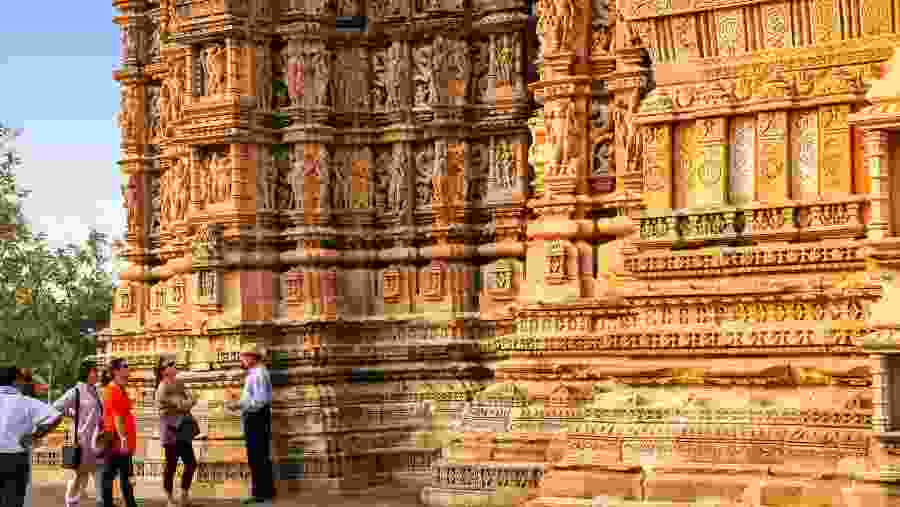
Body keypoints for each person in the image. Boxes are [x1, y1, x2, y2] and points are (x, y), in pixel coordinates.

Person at [0, 365, 63, 507]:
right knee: (13, 501)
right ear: (16, 381)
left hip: (14, 458)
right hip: (15, 458)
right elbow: (56, 416)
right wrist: (35, 436)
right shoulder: (26, 401)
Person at [226, 345, 275, 505]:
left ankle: (260, 493)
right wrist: (240, 402)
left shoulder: (258, 374)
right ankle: (266, 491)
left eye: (244, 357)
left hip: (256, 417)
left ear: (252, 357)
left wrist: (239, 405)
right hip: (257, 416)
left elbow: (259, 401)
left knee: (256, 456)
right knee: (260, 455)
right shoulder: (256, 373)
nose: (242, 360)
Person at [52, 360, 105, 507]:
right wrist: (73, 415)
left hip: (98, 441)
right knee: (80, 476)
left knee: (99, 472)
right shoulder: (75, 391)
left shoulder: (96, 391)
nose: (97, 374)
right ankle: (71, 501)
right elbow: (56, 407)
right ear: (86, 373)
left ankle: (101, 500)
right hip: (83, 442)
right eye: (94, 371)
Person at [154, 356, 198, 507]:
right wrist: (188, 402)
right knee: (171, 466)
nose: (174, 366)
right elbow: (184, 404)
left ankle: (184, 495)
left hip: (182, 429)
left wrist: (187, 402)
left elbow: (191, 399)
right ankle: (169, 498)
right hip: (170, 430)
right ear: (163, 370)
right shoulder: (162, 388)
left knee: (191, 463)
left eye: (174, 363)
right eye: (170, 364)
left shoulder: (179, 383)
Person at [100, 358, 138, 507]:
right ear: (116, 371)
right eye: (125, 366)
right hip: (117, 441)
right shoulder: (113, 390)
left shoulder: (119, 389)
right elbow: (117, 417)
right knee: (117, 475)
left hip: (120, 441)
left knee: (119, 475)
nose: (128, 369)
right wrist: (123, 439)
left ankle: (114, 503)